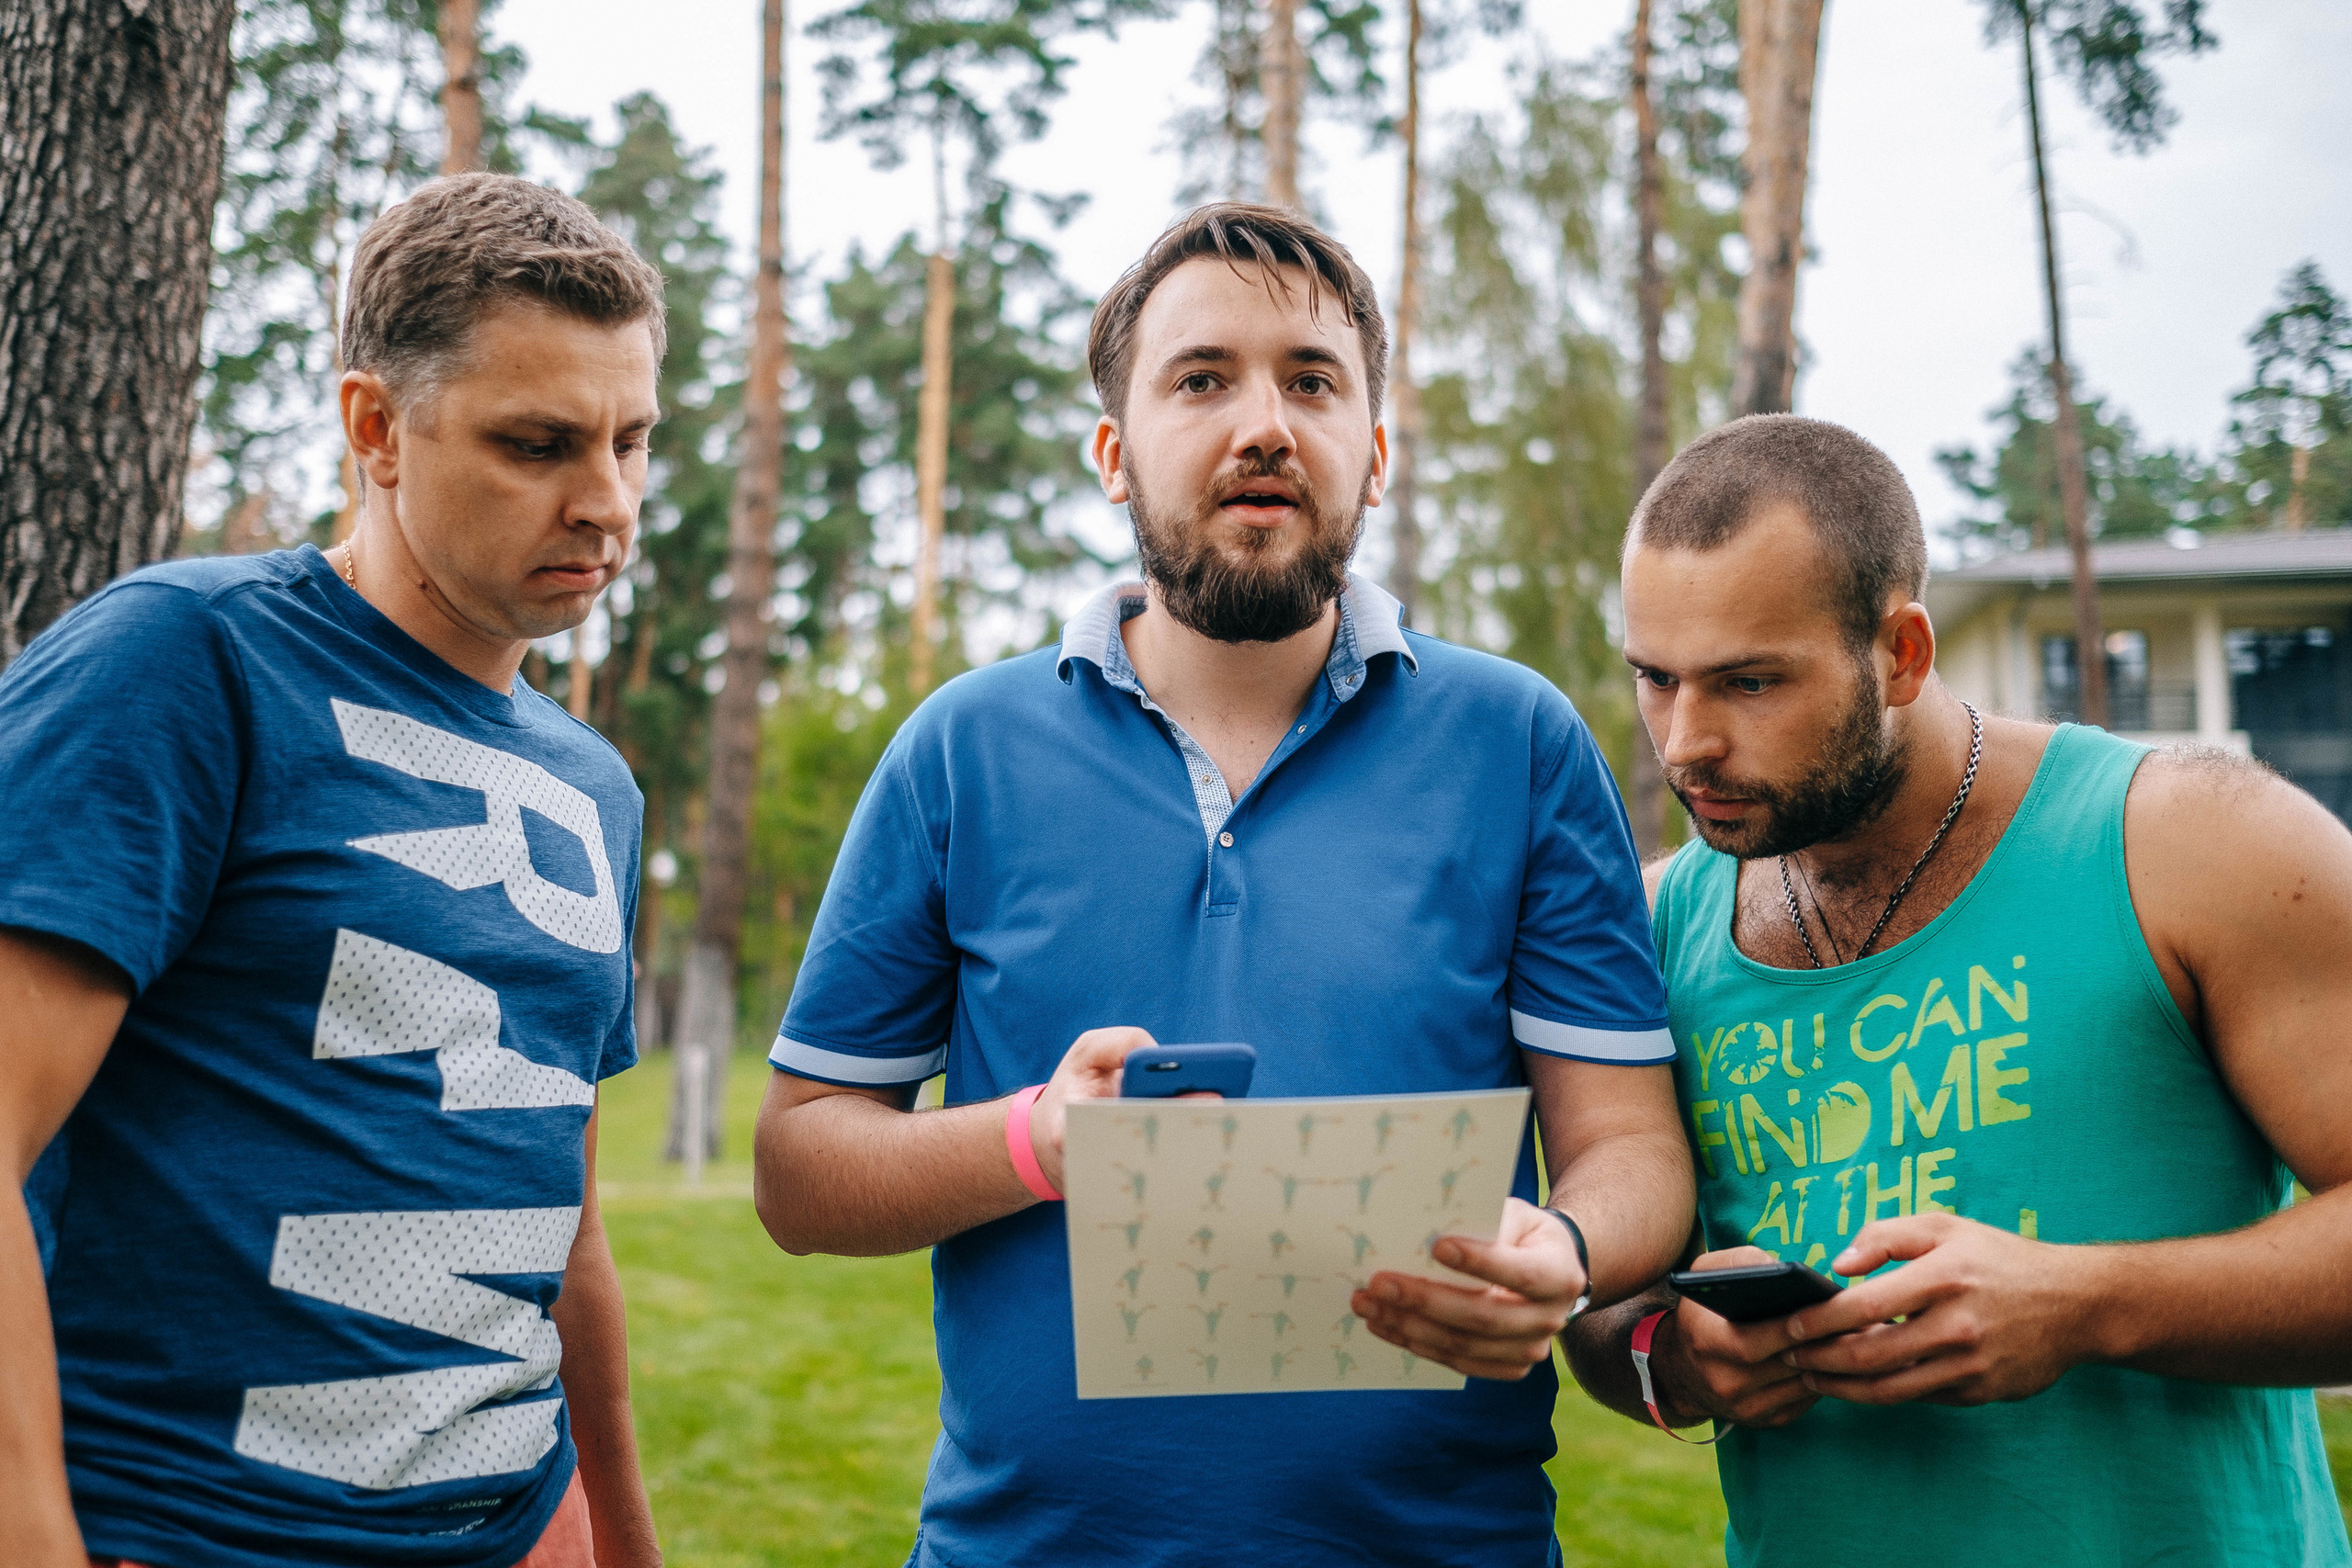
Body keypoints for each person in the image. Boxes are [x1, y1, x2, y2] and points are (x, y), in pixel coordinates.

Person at [752, 203, 1693, 1566]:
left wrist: (1565, 1246)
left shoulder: (1522, 740)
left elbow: (1635, 1151)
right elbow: (797, 1166)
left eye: (1311, 381)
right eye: (1202, 379)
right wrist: (1032, 1139)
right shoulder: (959, 750)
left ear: (1372, 454)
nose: (1264, 424)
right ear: (1114, 453)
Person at [0, 174, 664, 1568]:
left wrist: (621, 1538)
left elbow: (565, 1224)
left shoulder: (597, 788)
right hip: (197, 1528)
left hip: (519, 1521)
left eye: (631, 438)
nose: (606, 501)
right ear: (377, 426)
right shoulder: (185, 661)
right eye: (538, 442)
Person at [1566, 413, 2352, 1567]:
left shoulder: (2197, 843)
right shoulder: (1647, 930)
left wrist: (2085, 1307)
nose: (1685, 743)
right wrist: (1675, 1361)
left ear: (1901, 653)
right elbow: (1600, 1323)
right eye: (1655, 678)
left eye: (1747, 682)